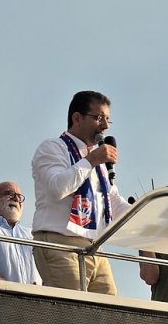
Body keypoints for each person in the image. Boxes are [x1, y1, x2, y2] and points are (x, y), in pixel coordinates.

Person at [31, 90, 131, 294]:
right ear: (77, 118)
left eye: (108, 120)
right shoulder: (53, 147)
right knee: (73, 309)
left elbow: (112, 200)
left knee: (108, 309)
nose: (105, 126)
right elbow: (57, 188)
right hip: (60, 242)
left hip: (94, 246)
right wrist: (91, 160)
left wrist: (144, 213)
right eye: (99, 118)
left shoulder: (96, 160)